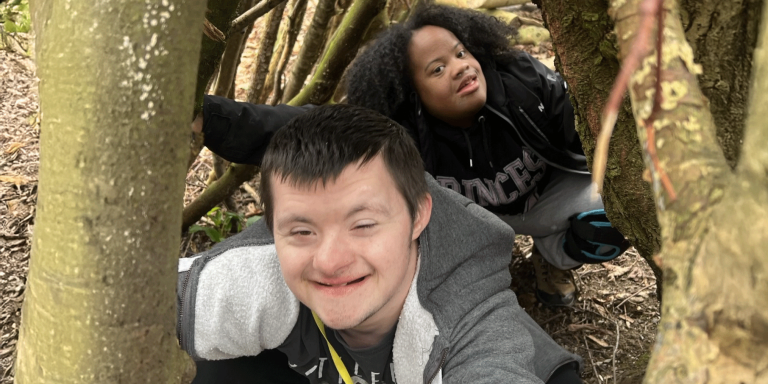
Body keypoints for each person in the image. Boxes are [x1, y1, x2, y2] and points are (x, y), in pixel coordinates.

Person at [192, 5, 630, 307]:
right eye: (437, 69)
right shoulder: (399, 130)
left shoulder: (525, 84)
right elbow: (306, 128)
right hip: (465, 223)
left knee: (613, 214)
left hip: (545, 199)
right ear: (413, 95)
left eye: (461, 53)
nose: (460, 67)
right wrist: (210, 118)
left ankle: (552, 260)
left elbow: (597, 124)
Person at [178, 104, 583, 384]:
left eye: (363, 225)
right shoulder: (258, 268)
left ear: (418, 216)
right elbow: (152, 306)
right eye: (302, 231)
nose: (330, 261)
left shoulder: (472, 323)